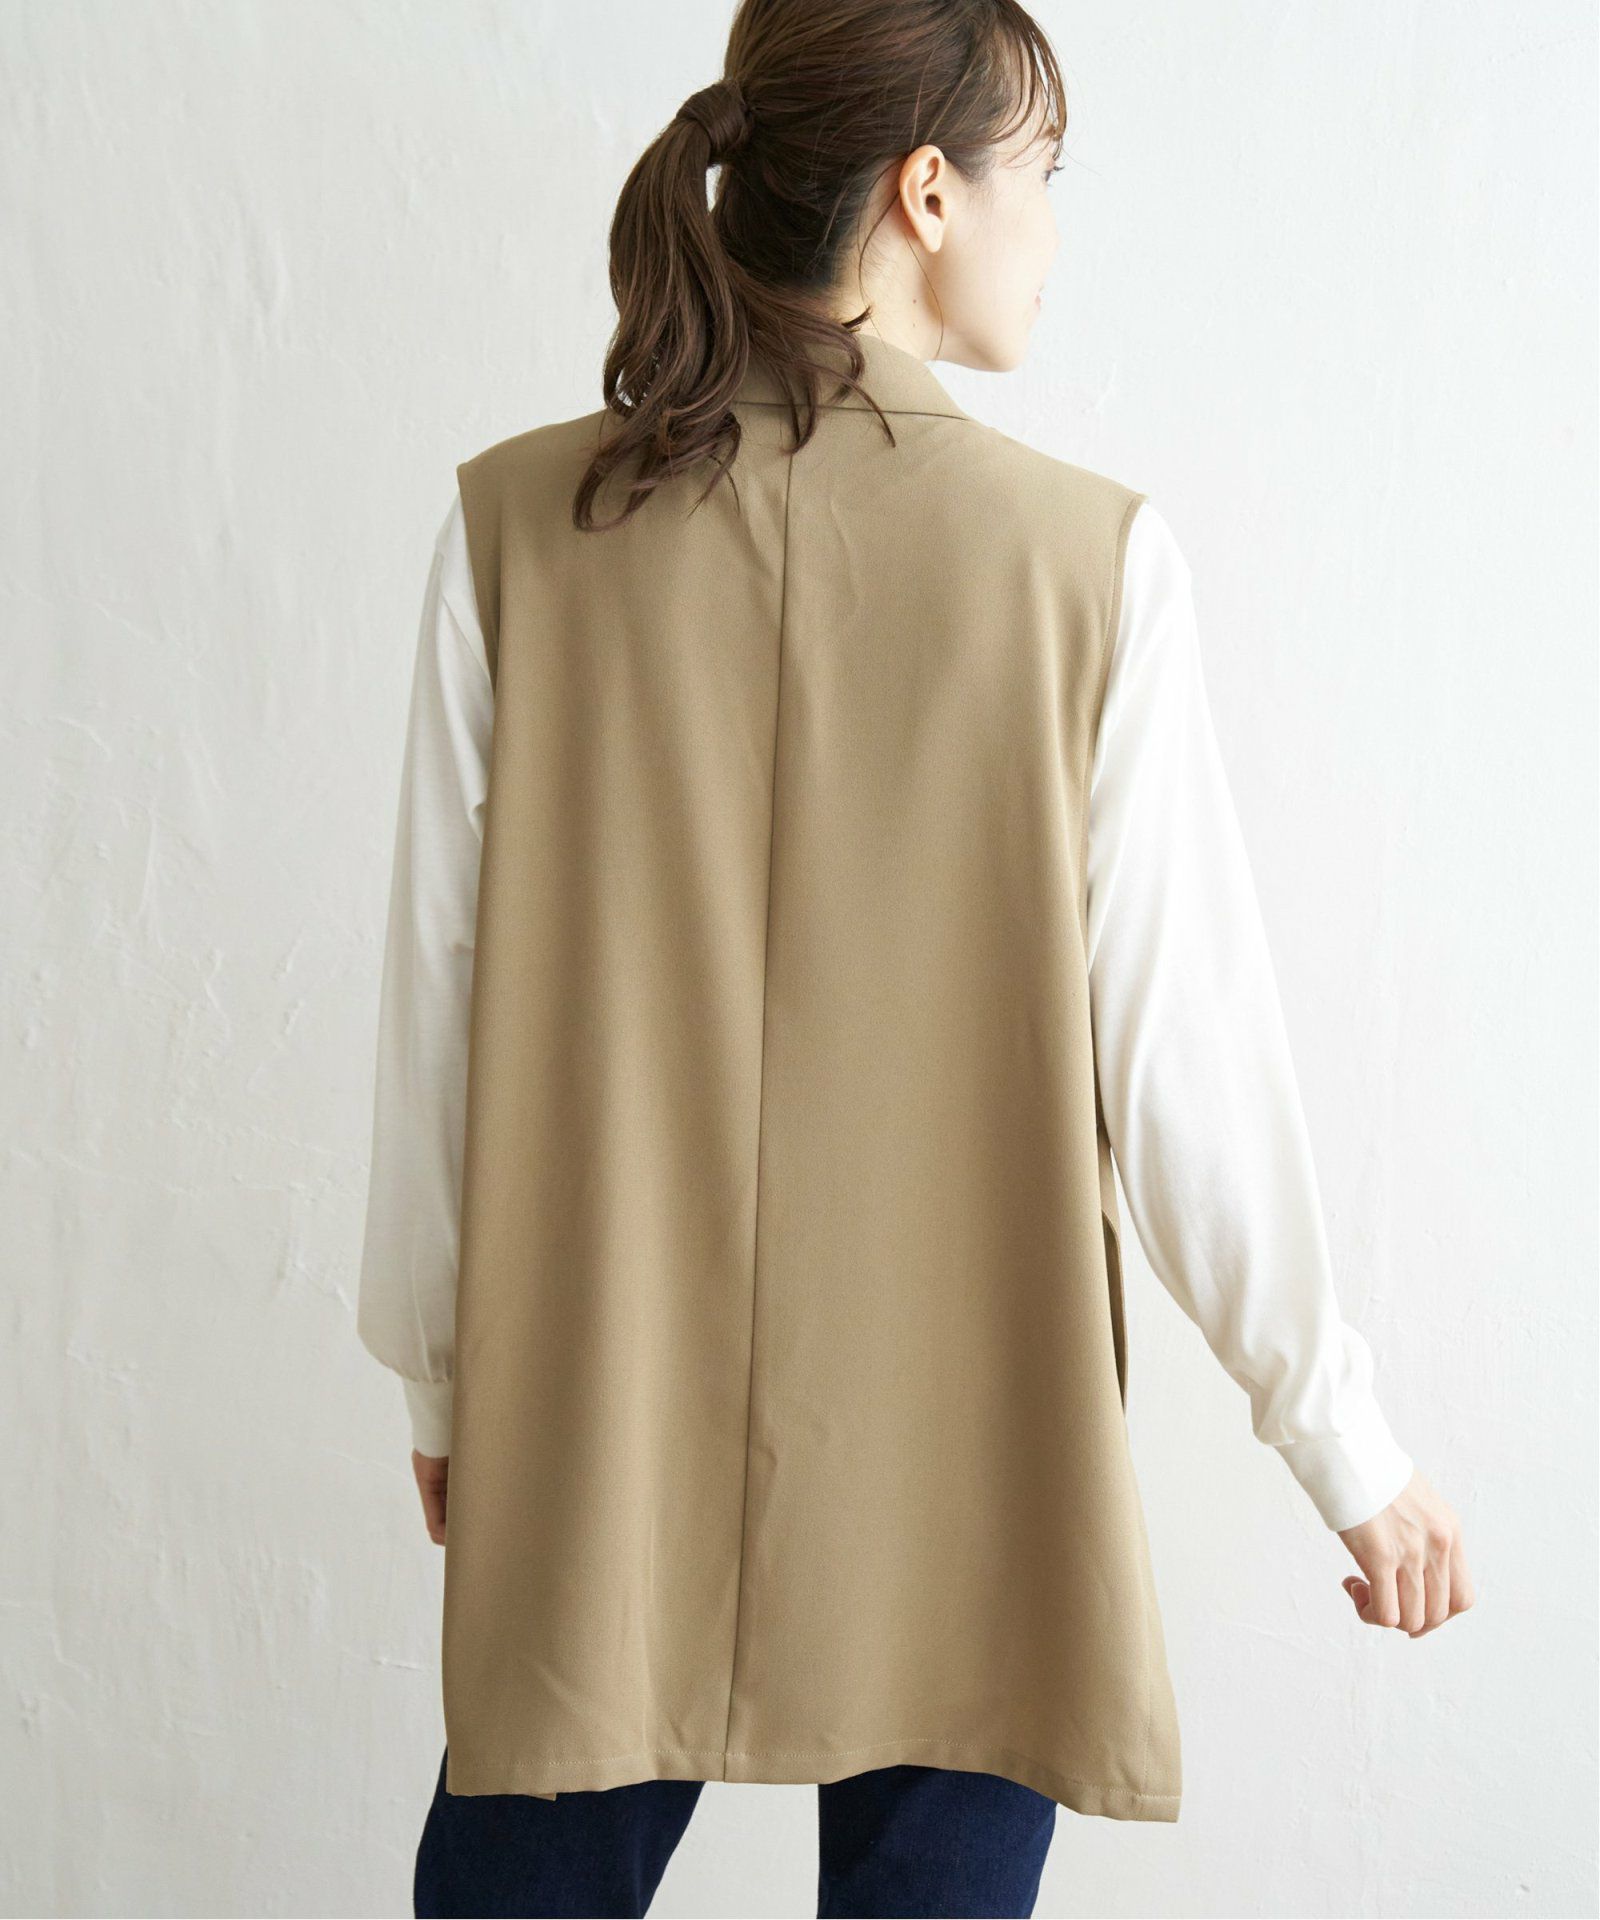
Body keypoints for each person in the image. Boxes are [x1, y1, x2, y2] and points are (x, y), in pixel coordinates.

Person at [355, 3, 1475, 1914]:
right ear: (929, 193)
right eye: (1046, 173)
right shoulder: (1088, 566)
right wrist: (1343, 1444)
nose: (1057, 226)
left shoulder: (515, 532)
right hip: (973, 1442)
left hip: (603, 1417)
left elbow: (435, 1017)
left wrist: (451, 1386)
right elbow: (1187, 1061)